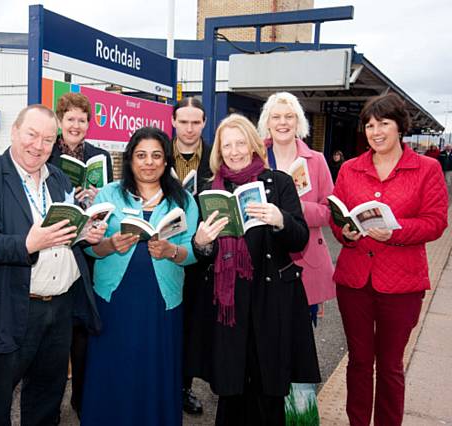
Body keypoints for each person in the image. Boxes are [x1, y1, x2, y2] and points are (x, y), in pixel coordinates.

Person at [0, 105, 105, 426]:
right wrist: (30, 243)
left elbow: (65, 231)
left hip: (60, 308)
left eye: (47, 139)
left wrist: (85, 233)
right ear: (14, 132)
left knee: (47, 398)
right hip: (13, 307)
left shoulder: (58, 178)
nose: (38, 146)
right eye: (32, 135)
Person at [190, 114, 320, 425]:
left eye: (240, 143)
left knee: (269, 385)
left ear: (253, 145)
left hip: (270, 299)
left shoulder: (279, 182)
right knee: (231, 388)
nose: (234, 152)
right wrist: (202, 242)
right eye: (227, 145)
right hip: (228, 306)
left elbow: (299, 238)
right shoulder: (209, 189)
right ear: (219, 151)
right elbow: (202, 257)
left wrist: (280, 220)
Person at [330, 93, 448, 425]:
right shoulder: (351, 168)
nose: (376, 131)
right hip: (355, 281)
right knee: (359, 361)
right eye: (369, 125)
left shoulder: (427, 169)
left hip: (402, 283)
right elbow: (336, 216)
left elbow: (436, 222)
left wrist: (393, 232)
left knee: (391, 365)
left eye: (384, 123)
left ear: (400, 126)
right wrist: (345, 233)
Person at [80, 127, 199, 426]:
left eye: (156, 156)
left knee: (155, 369)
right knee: (113, 368)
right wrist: (109, 244)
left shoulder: (182, 200)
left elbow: (195, 251)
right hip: (115, 300)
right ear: (130, 160)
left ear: (166, 161)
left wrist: (172, 250)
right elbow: (90, 248)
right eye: (141, 155)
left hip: (162, 302)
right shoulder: (109, 195)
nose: (149, 162)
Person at [46, 92, 114, 416]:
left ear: (89, 123)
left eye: (82, 120)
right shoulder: (47, 155)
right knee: (58, 340)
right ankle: (52, 404)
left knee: (84, 336)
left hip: (88, 253)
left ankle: (82, 401)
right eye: (70, 119)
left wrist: (100, 196)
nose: (76, 125)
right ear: (60, 122)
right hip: (57, 251)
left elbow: (110, 201)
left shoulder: (101, 156)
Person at [257, 92, 335, 322]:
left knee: (300, 342)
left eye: (289, 116)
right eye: (276, 117)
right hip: (264, 258)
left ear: (298, 122)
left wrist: (297, 207)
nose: (283, 123)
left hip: (305, 259)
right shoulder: (254, 157)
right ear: (267, 123)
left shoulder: (317, 160)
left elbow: (329, 212)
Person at [171, 96, 211, 415]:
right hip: (163, 250)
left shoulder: (216, 157)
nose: (189, 128)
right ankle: (160, 381)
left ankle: (184, 387)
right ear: (173, 122)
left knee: (192, 324)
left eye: (195, 122)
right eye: (183, 121)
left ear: (203, 123)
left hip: (202, 253)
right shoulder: (156, 153)